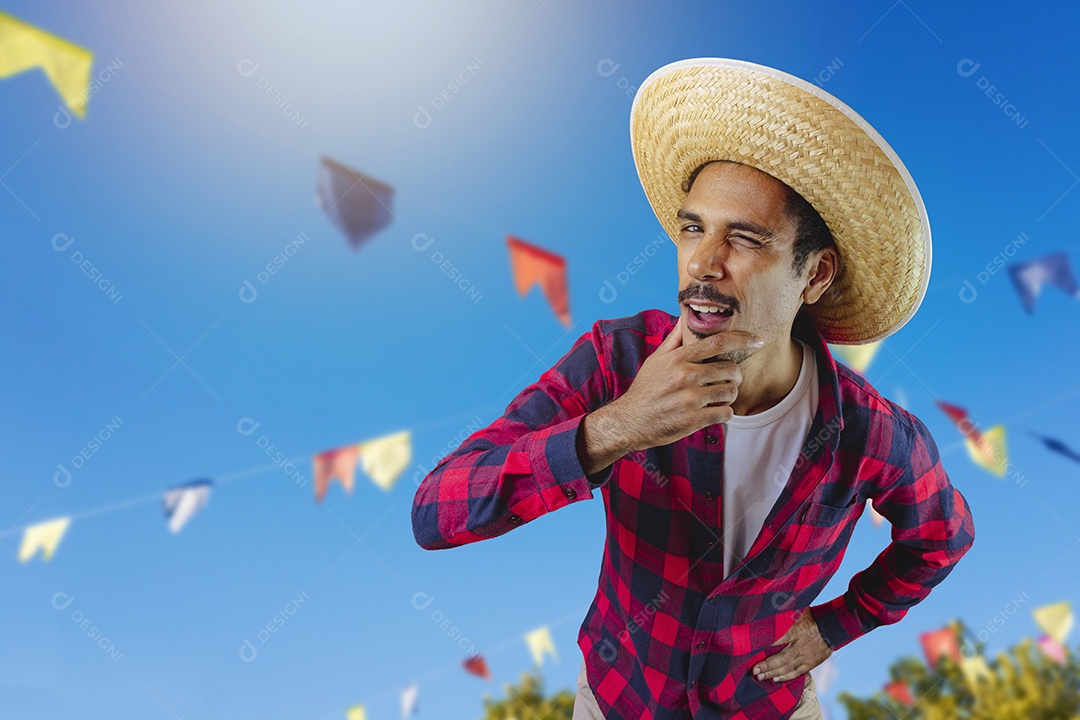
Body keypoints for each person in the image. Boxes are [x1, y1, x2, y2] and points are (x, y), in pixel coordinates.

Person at [411, 57, 975, 720]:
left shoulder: (870, 432)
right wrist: (618, 428)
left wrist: (836, 626)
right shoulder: (615, 359)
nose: (703, 264)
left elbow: (942, 536)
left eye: (743, 238)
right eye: (692, 228)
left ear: (815, 276)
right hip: (617, 703)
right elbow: (436, 511)